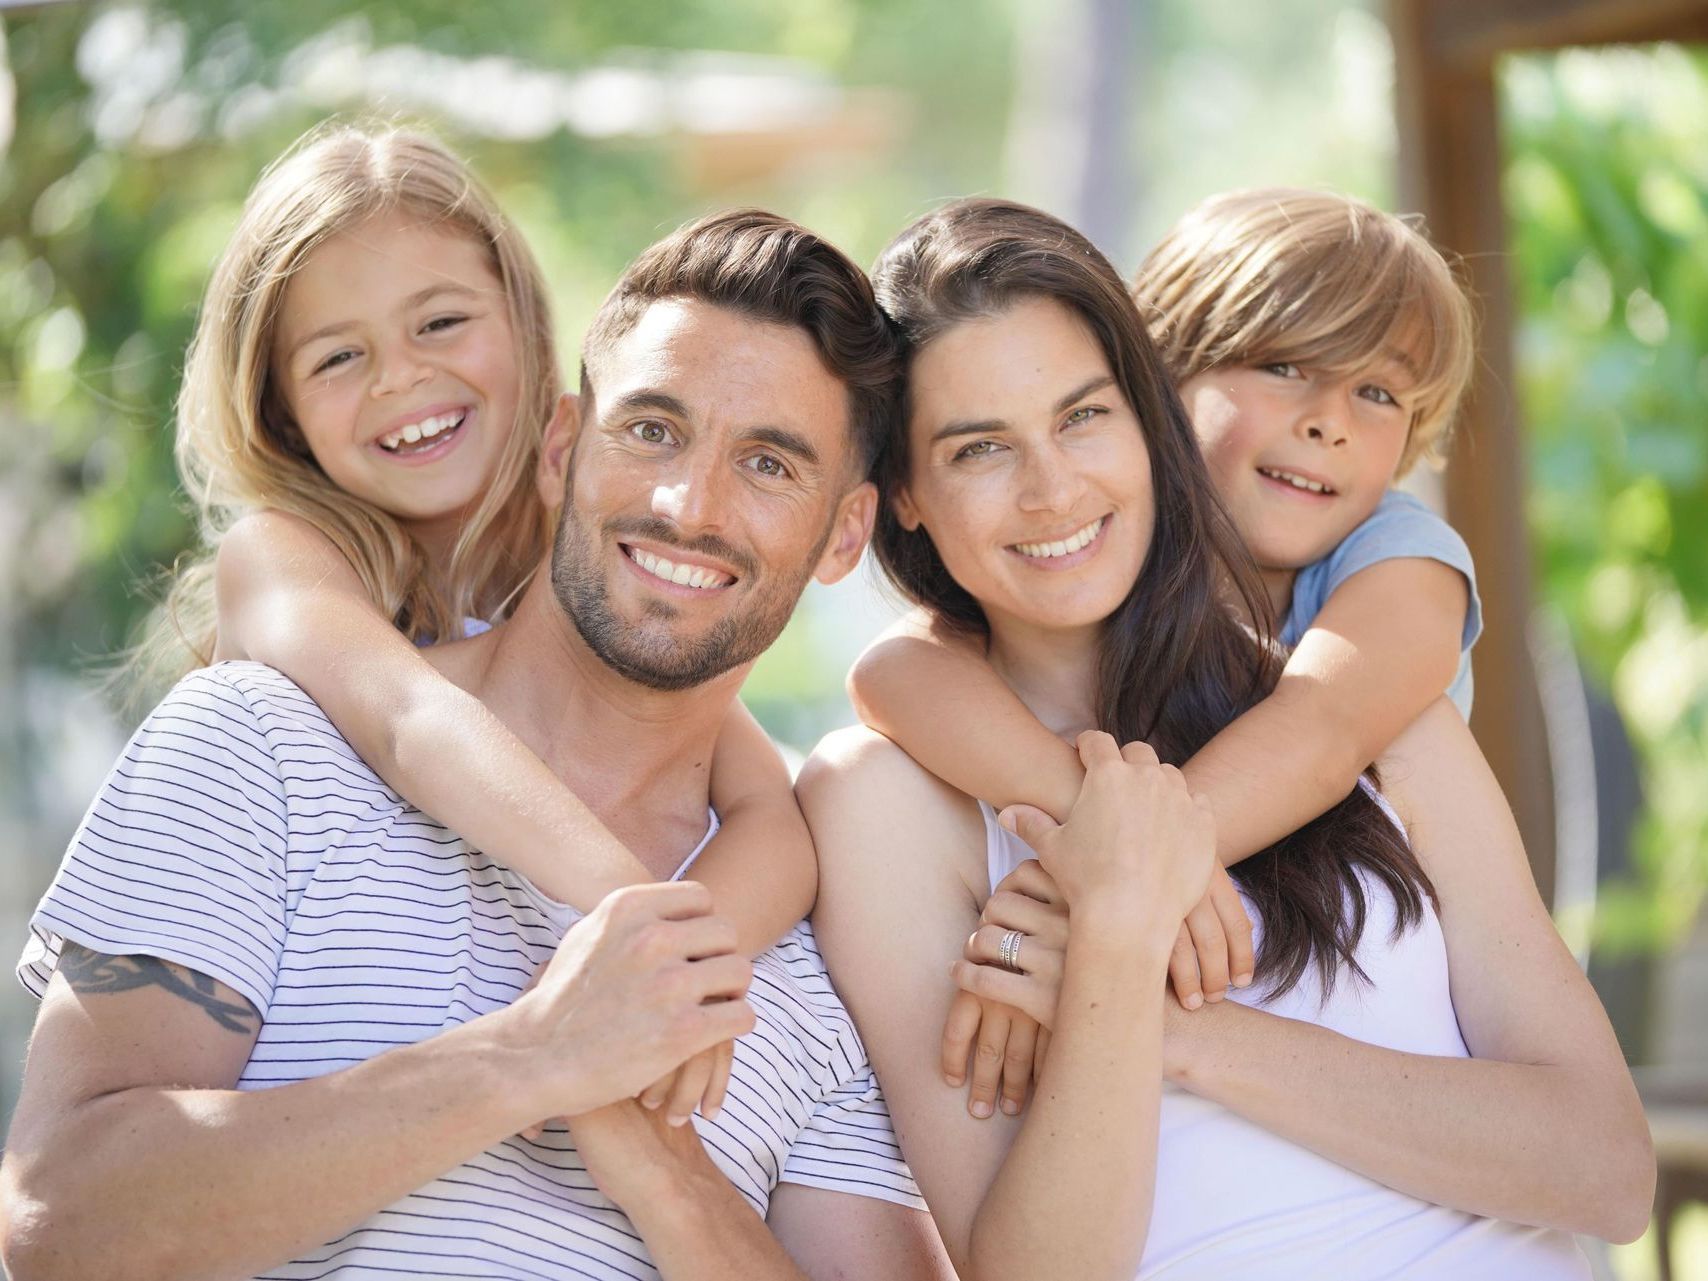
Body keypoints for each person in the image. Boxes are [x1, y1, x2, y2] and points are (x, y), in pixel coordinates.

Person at [0, 210, 949, 1280]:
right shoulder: (261, 740)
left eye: (769, 464)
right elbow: (54, 1224)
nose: (690, 505)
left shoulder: (820, 944)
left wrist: (665, 1171)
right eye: (651, 430)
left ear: (846, 535)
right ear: (560, 448)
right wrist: (527, 1059)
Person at [797, 198, 1653, 1280]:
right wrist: (1118, 923)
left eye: (1082, 416)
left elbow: (1608, 1172)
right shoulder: (886, 795)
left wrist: (1162, 1009)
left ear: (1143, 418)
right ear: (905, 495)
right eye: (979, 449)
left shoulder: (1372, 706)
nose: (1053, 488)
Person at [141, 120, 824, 1121]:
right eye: (337, 358)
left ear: (521, 324)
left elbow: (770, 816)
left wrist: (682, 983)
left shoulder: (600, 535)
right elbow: (409, 721)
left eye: (440, 324)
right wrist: (627, 919)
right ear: (282, 410)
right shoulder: (282, 561)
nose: (400, 379)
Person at [848, 192, 1484, 1118]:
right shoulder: (1114, 561)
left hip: (1406, 1021)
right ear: (1164, 378)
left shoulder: (1402, 561)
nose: (1329, 420)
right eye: (1285, 363)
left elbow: (1321, 729)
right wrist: (1100, 844)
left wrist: (1109, 880)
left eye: (1378, 392)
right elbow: (893, 672)